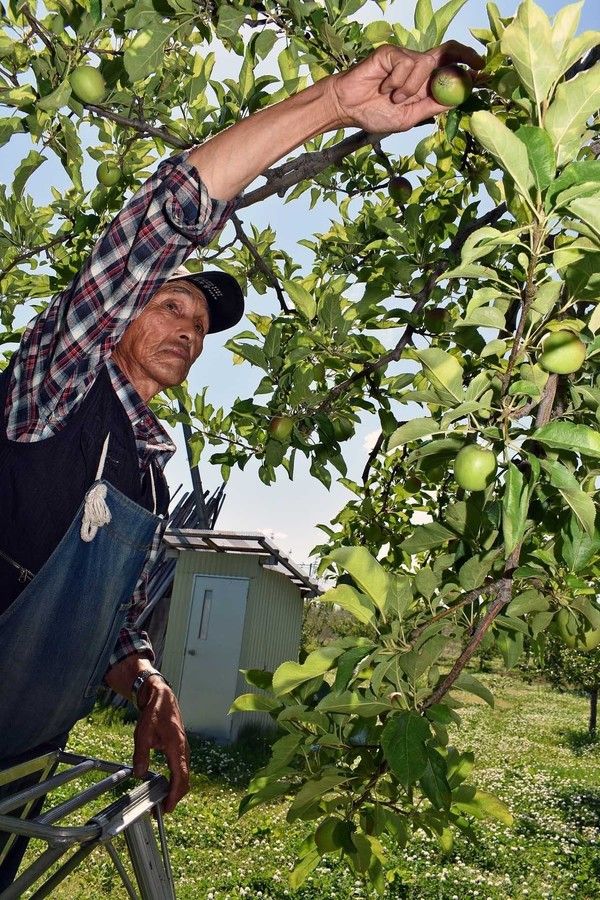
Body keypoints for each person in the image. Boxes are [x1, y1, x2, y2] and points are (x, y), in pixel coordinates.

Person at [0, 40, 482, 886]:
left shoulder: (152, 474)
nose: (189, 327)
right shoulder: (55, 390)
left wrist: (147, 677)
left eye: (200, 323)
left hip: (23, 756)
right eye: (171, 304)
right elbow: (149, 229)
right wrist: (334, 103)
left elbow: (108, 632)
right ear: (111, 322)